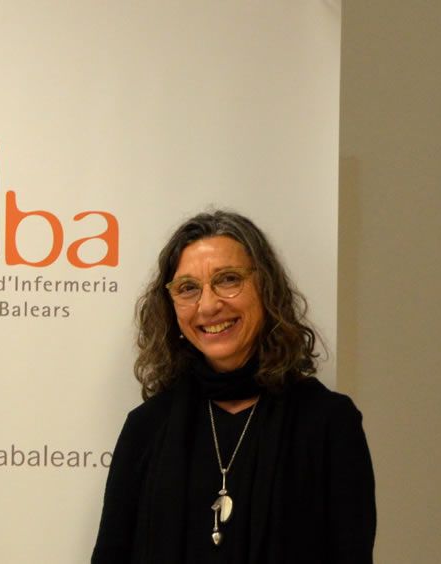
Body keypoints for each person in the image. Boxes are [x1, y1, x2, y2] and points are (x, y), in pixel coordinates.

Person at [91, 210, 375, 563]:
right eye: (188, 288)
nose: (208, 305)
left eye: (228, 280)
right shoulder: (147, 427)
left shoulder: (329, 422)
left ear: (266, 288)